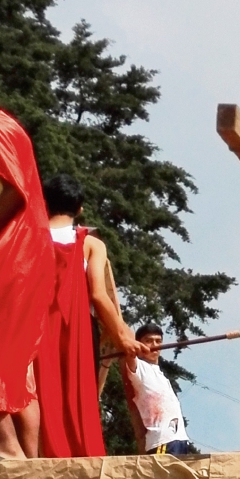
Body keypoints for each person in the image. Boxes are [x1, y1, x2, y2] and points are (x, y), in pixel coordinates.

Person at [35, 174, 145, 458]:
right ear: (80, 208)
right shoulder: (89, 243)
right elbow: (98, 293)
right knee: (75, 398)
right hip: (75, 331)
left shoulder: (28, 235)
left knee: (37, 395)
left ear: (43, 203)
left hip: (34, 327)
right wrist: (122, 335)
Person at [0, 107, 54, 459]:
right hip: (24, 249)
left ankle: (6, 448)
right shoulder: (6, 125)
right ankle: (30, 462)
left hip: (14, 250)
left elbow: (15, 190)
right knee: (17, 362)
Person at [122, 323, 193, 455]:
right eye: (148, 341)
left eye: (158, 341)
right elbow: (128, 346)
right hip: (162, 441)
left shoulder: (161, 375)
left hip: (180, 440)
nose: (154, 345)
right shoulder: (139, 368)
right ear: (139, 344)